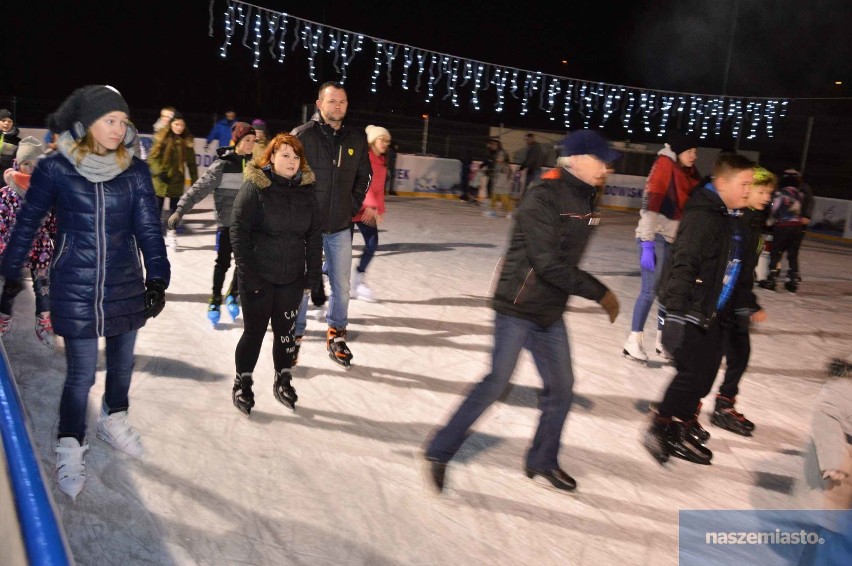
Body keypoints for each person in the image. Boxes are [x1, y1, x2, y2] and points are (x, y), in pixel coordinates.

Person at [423, 129, 621, 494]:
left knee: (562, 387)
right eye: (600, 160)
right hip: (517, 304)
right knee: (497, 381)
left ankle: (542, 460)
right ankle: (439, 450)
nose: (606, 168)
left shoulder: (588, 197)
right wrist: (599, 291)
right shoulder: (543, 196)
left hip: (549, 310)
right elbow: (547, 263)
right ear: (576, 160)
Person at [0, 85, 169, 499]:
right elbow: (29, 220)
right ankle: (70, 443)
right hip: (74, 280)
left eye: (123, 121)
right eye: (109, 120)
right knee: (79, 375)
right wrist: (8, 272)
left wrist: (158, 277)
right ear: (87, 122)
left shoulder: (134, 171)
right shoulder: (58, 168)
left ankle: (114, 420)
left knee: (124, 366)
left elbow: (148, 226)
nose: (118, 128)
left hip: (125, 280)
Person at [642, 152, 755, 466]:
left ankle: (680, 425)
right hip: (691, 308)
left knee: (704, 378)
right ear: (722, 183)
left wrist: (739, 310)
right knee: (691, 375)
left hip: (714, 312)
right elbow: (684, 264)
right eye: (744, 184)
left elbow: (734, 270)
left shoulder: (731, 217)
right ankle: (659, 426)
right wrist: (675, 315)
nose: (749, 190)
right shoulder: (704, 216)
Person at [229, 133, 322, 414]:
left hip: (291, 279)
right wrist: (249, 276)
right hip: (258, 277)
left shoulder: (306, 192)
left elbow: (314, 236)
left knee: (285, 335)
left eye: (296, 157)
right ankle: (242, 382)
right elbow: (238, 232)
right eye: (285, 155)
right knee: (254, 333)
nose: (292, 161)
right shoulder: (255, 188)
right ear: (270, 158)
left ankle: (283, 378)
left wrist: (313, 277)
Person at [291, 82, 371, 369]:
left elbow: (365, 177)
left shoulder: (356, 138)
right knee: (300, 283)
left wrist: (351, 206)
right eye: (332, 101)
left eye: (343, 101)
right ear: (319, 104)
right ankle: (294, 334)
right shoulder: (302, 136)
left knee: (341, 283)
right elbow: (285, 176)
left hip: (339, 227)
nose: (338, 106)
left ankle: (337, 332)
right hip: (306, 228)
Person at [622, 130, 700, 364]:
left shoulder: (689, 174)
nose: (694, 155)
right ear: (677, 151)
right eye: (690, 151)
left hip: (672, 241)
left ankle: (662, 341)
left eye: (695, 151)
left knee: (667, 293)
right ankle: (633, 341)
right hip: (655, 237)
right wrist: (646, 243)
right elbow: (651, 206)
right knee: (650, 290)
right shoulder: (664, 167)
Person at [168, 122, 256, 326]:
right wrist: (180, 210)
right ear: (237, 140)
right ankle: (215, 299)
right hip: (226, 224)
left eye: (253, 140)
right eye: (247, 140)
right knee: (223, 263)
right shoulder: (223, 165)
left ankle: (233, 294)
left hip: (248, 226)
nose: (251, 144)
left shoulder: (255, 166)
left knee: (244, 264)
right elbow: (199, 188)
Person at [708, 166, 775, 436]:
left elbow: (746, 269)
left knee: (739, 356)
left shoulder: (753, 220)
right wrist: (748, 304)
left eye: (769, 192)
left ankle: (724, 404)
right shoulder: (741, 222)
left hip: (737, 300)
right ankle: (693, 410)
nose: (766, 197)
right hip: (726, 302)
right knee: (715, 359)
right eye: (761, 190)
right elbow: (737, 269)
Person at [0, 137, 56, 346]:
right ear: (17, 164)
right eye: (26, 164)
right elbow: (1, 222)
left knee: (43, 288)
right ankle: (4, 316)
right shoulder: (6, 194)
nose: (31, 169)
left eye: (35, 165)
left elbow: (52, 223)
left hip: (40, 249)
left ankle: (44, 320)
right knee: (10, 288)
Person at [351, 125, 391, 302]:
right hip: (351, 207)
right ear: (373, 140)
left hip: (367, 210)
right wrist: (371, 204)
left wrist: (379, 209)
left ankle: (358, 280)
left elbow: (379, 189)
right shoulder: (364, 158)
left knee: (372, 244)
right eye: (382, 139)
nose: (385, 143)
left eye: (387, 141)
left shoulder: (382, 163)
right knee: (341, 249)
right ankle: (323, 278)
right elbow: (361, 184)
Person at [147, 112, 198, 250]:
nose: (179, 127)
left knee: (174, 211)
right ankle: (155, 238)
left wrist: (195, 182)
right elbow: (151, 158)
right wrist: (159, 172)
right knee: (156, 211)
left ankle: (172, 235)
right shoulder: (161, 138)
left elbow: (192, 164)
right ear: (170, 124)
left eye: (182, 125)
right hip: (160, 181)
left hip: (176, 181)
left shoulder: (186, 142)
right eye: (177, 124)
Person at [759, 172, 805, 293]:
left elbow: (775, 207)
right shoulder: (800, 194)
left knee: (776, 252)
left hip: (783, 226)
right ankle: (793, 278)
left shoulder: (780, 193)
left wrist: (769, 221)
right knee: (793, 254)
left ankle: (772, 278)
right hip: (797, 227)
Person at [485, 144, 513, 218]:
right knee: (494, 198)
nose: (498, 158)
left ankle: (509, 212)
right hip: (498, 185)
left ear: (504, 158)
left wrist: (497, 184)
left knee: (505, 199)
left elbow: (504, 177)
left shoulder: (505, 166)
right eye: (498, 157)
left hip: (503, 186)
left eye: (500, 157)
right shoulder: (498, 165)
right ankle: (492, 211)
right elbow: (496, 174)